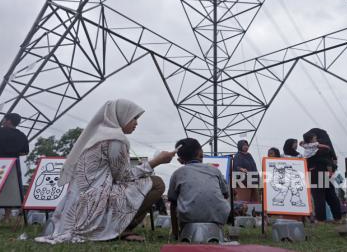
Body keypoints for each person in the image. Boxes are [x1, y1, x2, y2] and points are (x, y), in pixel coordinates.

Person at [35, 99, 176, 244]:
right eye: (134, 118)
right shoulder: (116, 139)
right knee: (157, 183)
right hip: (96, 201)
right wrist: (156, 162)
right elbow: (123, 176)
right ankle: (123, 229)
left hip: (76, 204)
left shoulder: (97, 135)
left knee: (143, 183)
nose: (136, 123)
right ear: (122, 115)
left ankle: (119, 227)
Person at [168, 138, 230, 239]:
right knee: (224, 195)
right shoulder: (215, 170)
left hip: (188, 219)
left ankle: (176, 233)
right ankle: (219, 230)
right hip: (217, 217)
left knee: (174, 202)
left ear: (180, 160)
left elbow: (172, 201)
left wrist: (175, 233)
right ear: (200, 153)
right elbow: (225, 194)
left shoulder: (177, 173)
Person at [304, 128, 341, 223]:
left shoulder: (315, 149)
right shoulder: (324, 148)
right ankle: (338, 217)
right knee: (330, 195)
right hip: (324, 173)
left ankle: (321, 219)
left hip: (315, 173)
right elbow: (330, 159)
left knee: (319, 196)